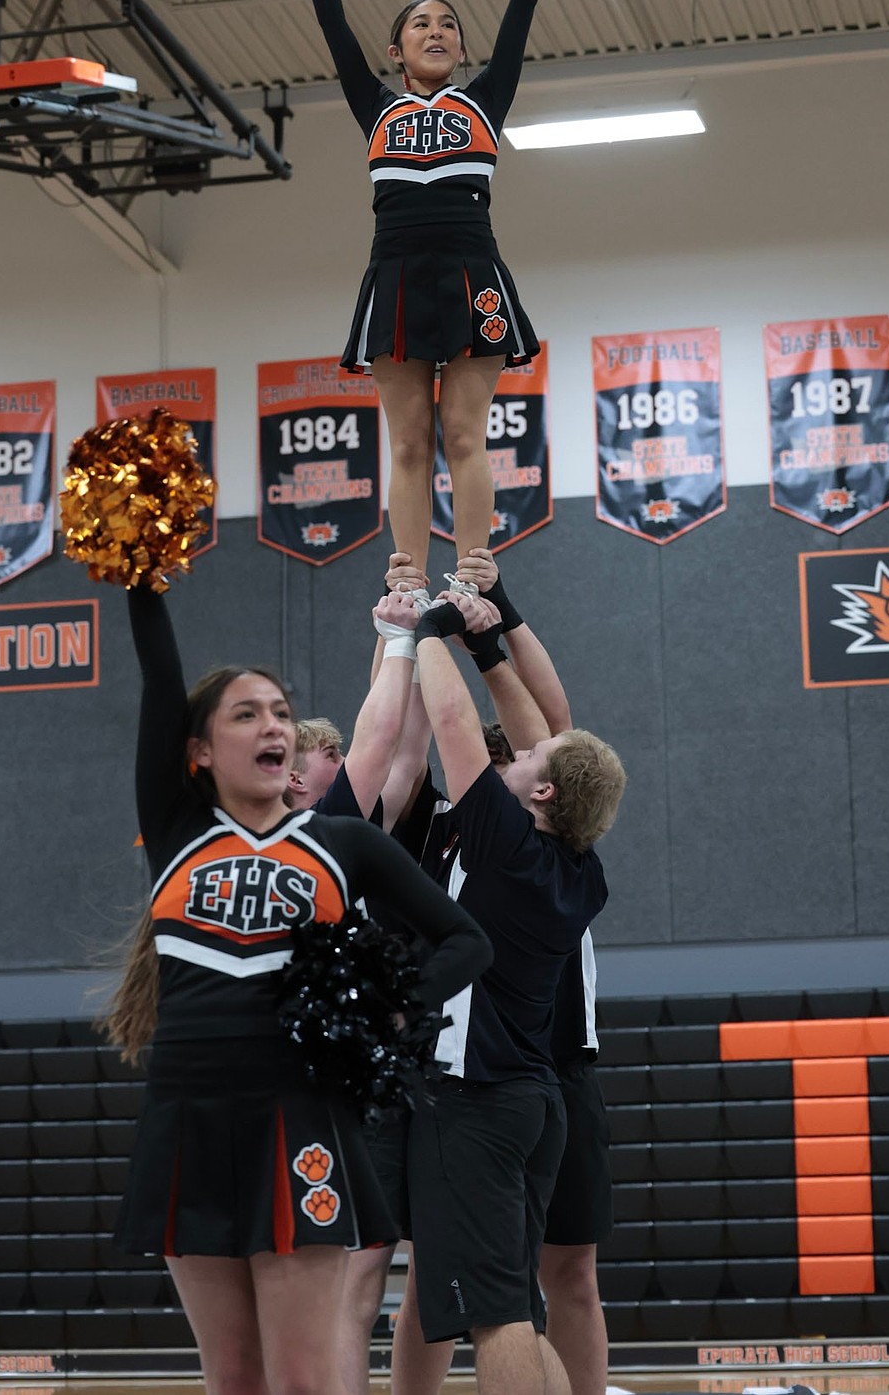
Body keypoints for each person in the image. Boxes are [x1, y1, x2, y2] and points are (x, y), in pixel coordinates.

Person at [107, 581, 492, 1395]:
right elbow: (158, 677)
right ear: (200, 750)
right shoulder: (178, 830)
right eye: (245, 714)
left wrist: (386, 1008)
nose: (273, 724)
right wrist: (142, 575)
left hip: (300, 1119)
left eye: (279, 711)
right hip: (189, 1118)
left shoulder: (342, 842)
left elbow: (467, 942)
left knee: (305, 1380)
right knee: (236, 1378)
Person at [287, 0, 558, 589]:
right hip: (397, 274)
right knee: (408, 442)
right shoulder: (376, 108)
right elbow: (333, 29)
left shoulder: (484, 101)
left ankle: (474, 574)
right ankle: (407, 576)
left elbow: (519, 22)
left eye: (448, 25)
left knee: (466, 434)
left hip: (473, 271)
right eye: (420, 23)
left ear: (461, 53)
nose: (436, 31)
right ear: (395, 51)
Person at [395, 588, 625, 1395]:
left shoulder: (500, 844)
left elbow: (457, 727)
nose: (526, 752)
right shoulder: (580, 869)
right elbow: (549, 744)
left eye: (527, 764)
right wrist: (492, 646)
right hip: (533, 1102)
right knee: (516, 1308)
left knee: (494, 1315)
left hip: (478, 1099)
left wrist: (431, 632)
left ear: (541, 796)